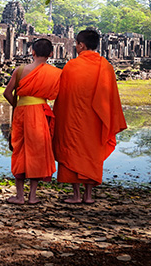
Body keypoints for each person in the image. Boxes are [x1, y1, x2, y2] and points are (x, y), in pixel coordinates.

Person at [52, 29, 127, 204]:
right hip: (96, 120)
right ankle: (88, 195)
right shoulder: (106, 66)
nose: (76, 47)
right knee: (91, 153)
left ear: (82, 45)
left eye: (77, 44)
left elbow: (63, 96)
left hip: (73, 119)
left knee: (72, 151)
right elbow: (111, 97)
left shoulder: (72, 65)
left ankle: (76, 195)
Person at [2, 38, 62, 205]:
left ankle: (19, 196)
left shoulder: (20, 70)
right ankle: (32, 196)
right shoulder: (56, 73)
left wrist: (20, 104)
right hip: (41, 113)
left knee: (19, 149)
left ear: (32, 52)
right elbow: (58, 95)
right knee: (37, 151)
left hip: (22, 113)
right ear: (51, 54)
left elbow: (7, 93)